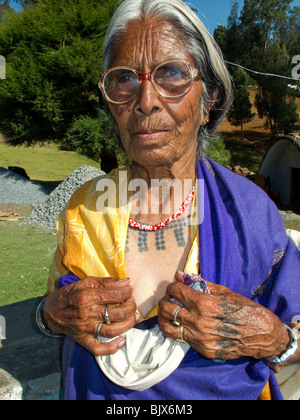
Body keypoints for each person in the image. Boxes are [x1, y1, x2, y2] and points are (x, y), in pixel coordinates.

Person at [37, 0, 300, 400]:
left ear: (209, 98)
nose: (145, 100)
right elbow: (54, 306)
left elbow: (292, 331)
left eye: (172, 74)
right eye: (123, 79)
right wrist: (52, 315)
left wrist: (273, 339)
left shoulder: (250, 213)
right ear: (110, 102)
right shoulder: (85, 210)